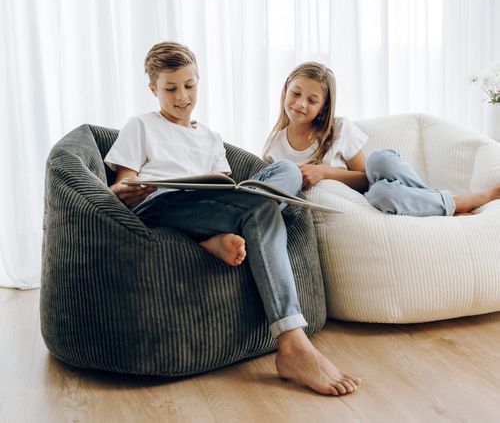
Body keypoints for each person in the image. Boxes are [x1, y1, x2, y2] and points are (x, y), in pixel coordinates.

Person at [105, 42, 361, 396]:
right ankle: (293, 343)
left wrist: (238, 195)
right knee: (262, 208)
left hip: (213, 208)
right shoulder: (141, 125)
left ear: (199, 82)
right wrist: (125, 190)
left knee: (282, 173)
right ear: (153, 89)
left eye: (189, 86)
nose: (182, 96)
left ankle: (212, 241)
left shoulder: (211, 138)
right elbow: (122, 183)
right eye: (171, 88)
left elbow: (229, 186)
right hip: (161, 203)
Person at [263, 61, 500, 216]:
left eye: (312, 100)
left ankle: (437, 200)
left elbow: (366, 179)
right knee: (381, 195)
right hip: (375, 202)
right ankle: (454, 203)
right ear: (286, 89)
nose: (301, 104)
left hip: (373, 187)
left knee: (378, 160)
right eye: (296, 93)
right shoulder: (275, 148)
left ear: (324, 108)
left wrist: (325, 172)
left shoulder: (338, 130)